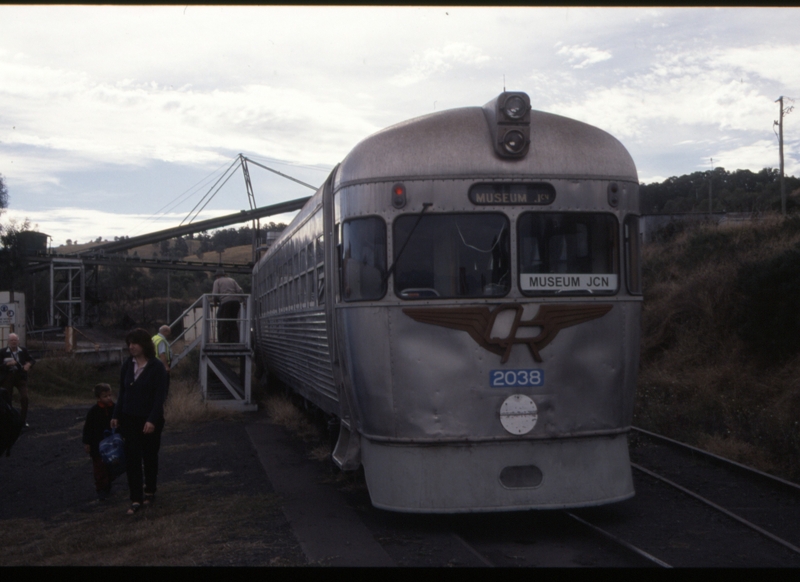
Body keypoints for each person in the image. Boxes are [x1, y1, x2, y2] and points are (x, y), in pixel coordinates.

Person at [111, 328, 168, 515]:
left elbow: (160, 397)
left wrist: (152, 420)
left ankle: (150, 490)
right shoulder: (128, 365)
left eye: (134, 343)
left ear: (144, 345)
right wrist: (116, 415)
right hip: (129, 419)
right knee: (132, 459)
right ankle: (135, 499)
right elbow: (122, 392)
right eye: (129, 343)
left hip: (150, 420)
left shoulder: (156, 367)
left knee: (150, 456)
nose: (131, 347)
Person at [82, 383, 116, 500]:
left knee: (111, 464)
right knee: (99, 467)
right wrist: (87, 443)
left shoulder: (115, 408)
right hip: (97, 444)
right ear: (99, 398)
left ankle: (108, 485)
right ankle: (101, 488)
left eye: (110, 395)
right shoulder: (94, 412)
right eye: (105, 396)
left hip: (111, 443)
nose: (109, 398)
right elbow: (88, 428)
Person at [0, 333, 34, 426]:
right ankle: (8, 420)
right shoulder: (2, 352)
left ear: (18, 341)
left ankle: (22, 421)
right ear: (8, 341)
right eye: (11, 340)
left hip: (20, 377)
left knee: (24, 397)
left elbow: (32, 360)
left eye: (15, 340)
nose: (13, 342)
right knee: (7, 399)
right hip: (7, 377)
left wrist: (28, 365)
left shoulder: (23, 350)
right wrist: (7, 364)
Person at [212, 268, 243, 343]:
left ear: (218, 276)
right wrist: (244, 300)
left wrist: (215, 302)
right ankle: (235, 340)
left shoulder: (217, 281)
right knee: (233, 321)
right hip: (236, 302)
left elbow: (215, 294)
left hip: (226, 302)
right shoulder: (231, 280)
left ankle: (224, 341)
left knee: (222, 321)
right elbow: (240, 290)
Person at [151, 325, 172, 393]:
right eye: (168, 332)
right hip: (161, 365)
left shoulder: (154, 338)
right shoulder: (161, 340)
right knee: (164, 385)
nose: (169, 334)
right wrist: (166, 366)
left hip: (154, 363)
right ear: (164, 332)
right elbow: (162, 354)